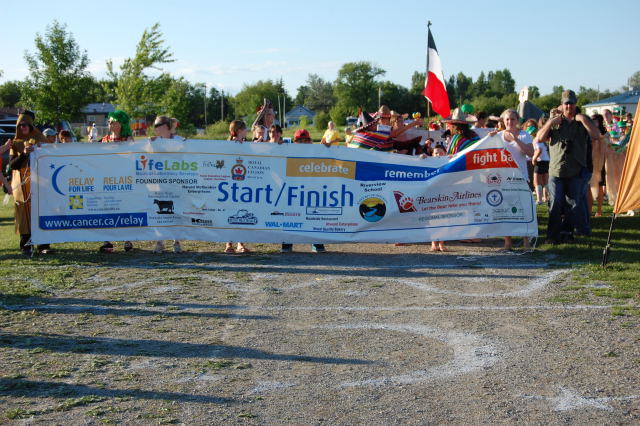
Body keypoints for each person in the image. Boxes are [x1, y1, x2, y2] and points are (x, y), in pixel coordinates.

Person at [537, 90, 600, 244]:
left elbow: (596, 135)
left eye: (571, 103)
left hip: (576, 170)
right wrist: (550, 122)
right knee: (556, 203)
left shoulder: (582, 121)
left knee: (573, 204)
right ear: (562, 104)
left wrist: (583, 119)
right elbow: (539, 138)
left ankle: (567, 233)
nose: (568, 106)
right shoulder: (555, 121)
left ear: (575, 104)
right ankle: (552, 236)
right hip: (556, 170)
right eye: (566, 103)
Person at [493, 109, 534, 250]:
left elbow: (531, 153)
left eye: (512, 119)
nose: (509, 122)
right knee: (504, 211)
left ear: (517, 120)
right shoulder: (498, 136)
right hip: (503, 179)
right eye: (507, 119)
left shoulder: (524, 135)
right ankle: (507, 242)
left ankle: (526, 241)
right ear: (503, 121)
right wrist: (488, 138)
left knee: (524, 210)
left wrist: (515, 139)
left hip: (520, 177)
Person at [8, 111, 49, 255]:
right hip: (21, 184)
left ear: (31, 125)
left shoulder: (40, 139)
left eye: (25, 125)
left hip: (40, 182)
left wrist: (41, 149)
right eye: (20, 125)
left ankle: (44, 245)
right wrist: (24, 154)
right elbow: (12, 165)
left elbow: (50, 157)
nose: (22, 127)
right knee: (23, 214)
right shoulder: (15, 142)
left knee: (40, 211)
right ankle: (26, 245)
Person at [280, 129, 326, 253]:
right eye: (299, 141)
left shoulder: (316, 151)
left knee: (313, 215)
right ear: (295, 142)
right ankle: (287, 243)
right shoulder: (288, 151)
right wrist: (277, 146)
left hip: (311, 191)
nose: (303, 143)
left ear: (310, 141)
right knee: (290, 216)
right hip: (293, 191)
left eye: (305, 140)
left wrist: (326, 148)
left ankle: (316, 242)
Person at [100, 110, 134, 252]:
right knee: (107, 209)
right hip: (108, 180)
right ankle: (107, 240)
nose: (110, 124)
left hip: (124, 179)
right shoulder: (104, 139)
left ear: (121, 124)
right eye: (109, 122)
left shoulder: (128, 139)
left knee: (126, 208)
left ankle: (128, 240)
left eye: (114, 121)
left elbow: (133, 156)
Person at [150, 115, 185, 254]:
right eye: (155, 126)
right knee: (159, 212)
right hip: (160, 183)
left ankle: (176, 242)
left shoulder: (179, 140)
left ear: (165, 126)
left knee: (176, 211)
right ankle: (159, 242)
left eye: (157, 125)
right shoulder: (153, 142)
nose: (155, 128)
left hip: (176, 183)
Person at [225, 120, 250, 254]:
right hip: (230, 185)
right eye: (245, 129)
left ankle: (240, 243)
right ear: (239, 130)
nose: (246, 131)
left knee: (241, 213)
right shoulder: (229, 144)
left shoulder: (246, 144)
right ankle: (228, 244)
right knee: (230, 213)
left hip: (243, 185)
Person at [430, 144, 448, 252]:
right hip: (432, 195)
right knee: (433, 220)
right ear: (432, 154)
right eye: (436, 153)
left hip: (445, 195)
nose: (438, 155)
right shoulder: (428, 162)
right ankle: (433, 243)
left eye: (441, 152)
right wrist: (422, 158)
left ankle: (442, 243)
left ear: (445, 153)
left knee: (444, 219)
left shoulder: (450, 161)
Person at [531, 116, 550, 205]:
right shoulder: (546, 137)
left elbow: (539, 150)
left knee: (537, 181)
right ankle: (546, 198)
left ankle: (539, 200)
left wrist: (534, 158)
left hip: (540, 161)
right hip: (547, 160)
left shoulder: (537, 138)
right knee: (546, 181)